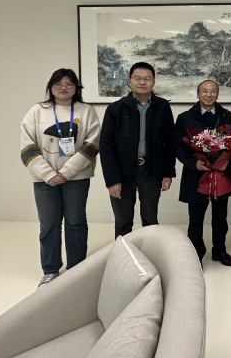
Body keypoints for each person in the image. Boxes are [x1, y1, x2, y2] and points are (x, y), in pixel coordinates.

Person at [20, 68, 100, 287]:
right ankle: (50, 270)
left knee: (76, 223)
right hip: (44, 180)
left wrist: (66, 172)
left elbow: (92, 144)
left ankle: (77, 269)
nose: (64, 88)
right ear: (50, 87)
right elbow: (27, 147)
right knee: (49, 225)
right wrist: (48, 174)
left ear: (76, 88)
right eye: (58, 84)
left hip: (77, 178)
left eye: (69, 84)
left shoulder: (86, 111)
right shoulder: (36, 111)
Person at [99, 62, 175, 238]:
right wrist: (112, 179)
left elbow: (169, 142)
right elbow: (106, 145)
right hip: (122, 172)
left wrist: (167, 172)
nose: (142, 82)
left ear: (153, 82)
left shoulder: (162, 107)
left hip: (151, 170)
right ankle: (123, 253)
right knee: (123, 221)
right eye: (137, 78)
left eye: (147, 79)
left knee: (150, 219)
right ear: (129, 81)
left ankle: (149, 252)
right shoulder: (116, 109)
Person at [174, 79, 231, 266]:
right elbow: (177, 146)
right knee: (196, 218)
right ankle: (196, 254)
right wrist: (193, 163)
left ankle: (219, 251)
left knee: (220, 217)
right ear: (198, 94)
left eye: (213, 91)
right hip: (196, 175)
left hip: (221, 174)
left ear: (217, 94)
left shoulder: (227, 115)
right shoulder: (184, 117)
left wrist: (226, 161)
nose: (209, 94)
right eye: (205, 91)